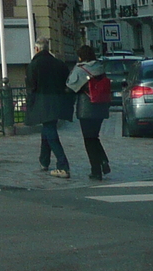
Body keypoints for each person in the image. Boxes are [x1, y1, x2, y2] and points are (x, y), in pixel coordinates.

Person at [24, 37, 72, 178]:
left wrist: (30, 104)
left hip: (43, 101)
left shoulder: (34, 65)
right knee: (47, 129)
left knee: (50, 132)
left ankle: (63, 165)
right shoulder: (59, 64)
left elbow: (31, 87)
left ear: (37, 49)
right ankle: (44, 160)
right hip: (58, 101)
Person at [66, 44, 112, 180]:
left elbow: (70, 86)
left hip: (86, 108)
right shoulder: (99, 67)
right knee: (94, 137)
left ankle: (96, 170)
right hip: (101, 106)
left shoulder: (80, 69)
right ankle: (103, 160)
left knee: (88, 139)